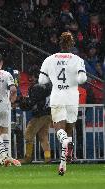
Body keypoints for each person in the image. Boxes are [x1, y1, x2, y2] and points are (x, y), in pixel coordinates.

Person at [39, 32, 87, 176]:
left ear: (59, 43)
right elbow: (82, 79)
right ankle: (63, 165)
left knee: (59, 129)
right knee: (69, 130)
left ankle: (65, 145)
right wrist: (74, 78)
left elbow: (42, 81)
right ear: (72, 45)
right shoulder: (77, 59)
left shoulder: (49, 59)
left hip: (58, 96)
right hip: (72, 97)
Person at [18, 67, 52, 164]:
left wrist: (22, 102)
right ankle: (47, 157)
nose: (31, 79)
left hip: (39, 114)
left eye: (32, 77)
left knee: (28, 134)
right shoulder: (50, 86)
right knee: (43, 136)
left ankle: (28, 157)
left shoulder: (37, 87)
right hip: (48, 113)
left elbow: (31, 103)